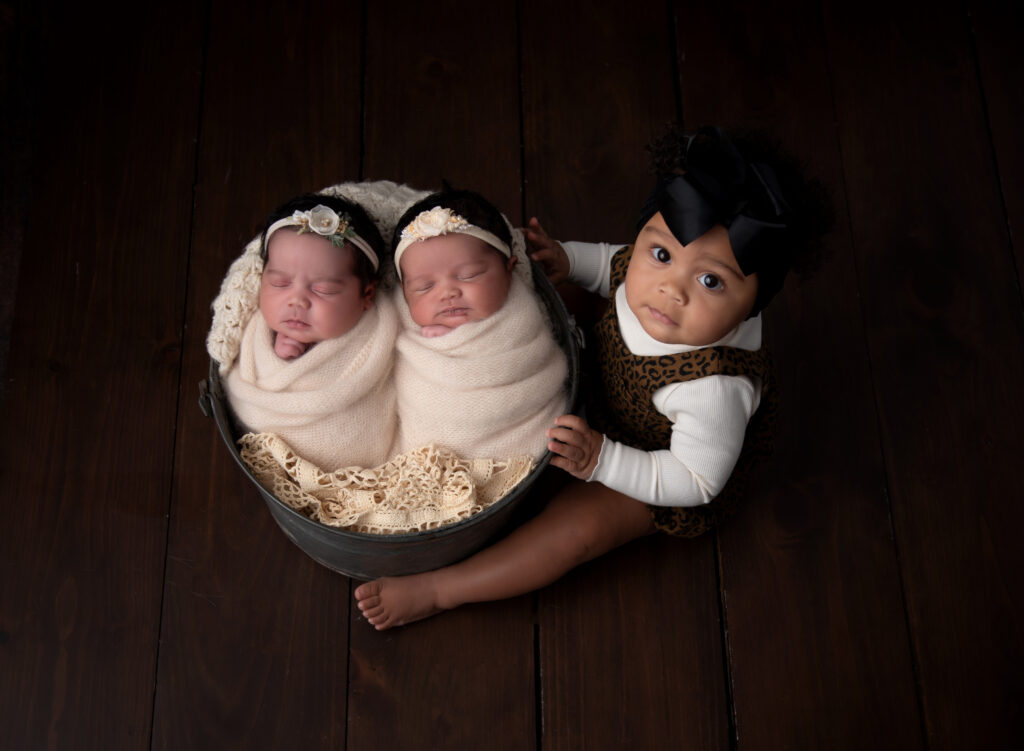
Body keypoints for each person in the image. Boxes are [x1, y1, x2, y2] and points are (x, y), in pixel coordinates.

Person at [354, 125, 831, 629]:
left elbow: (697, 481)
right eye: (662, 254)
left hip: (655, 461)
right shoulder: (653, 271)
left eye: (711, 281)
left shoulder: (713, 386)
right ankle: (487, 369)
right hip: (610, 374)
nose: (672, 290)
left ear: (754, 303)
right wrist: (567, 259)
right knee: (544, 301)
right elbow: (614, 264)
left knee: (574, 531)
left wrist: (604, 460)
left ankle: (442, 589)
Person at [388, 189, 568, 462]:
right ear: (403, 292)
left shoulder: (521, 321)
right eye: (425, 287)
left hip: (515, 443)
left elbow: (533, 368)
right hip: (425, 452)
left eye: (469, 275)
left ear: (509, 271)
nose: (447, 293)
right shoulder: (395, 322)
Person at [225, 193, 399, 471]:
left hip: (369, 460)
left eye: (323, 290)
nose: (297, 301)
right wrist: (280, 361)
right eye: (280, 283)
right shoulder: (255, 334)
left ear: (366, 294)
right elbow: (255, 396)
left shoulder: (383, 328)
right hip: (278, 461)